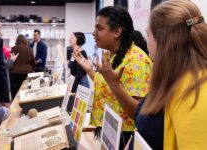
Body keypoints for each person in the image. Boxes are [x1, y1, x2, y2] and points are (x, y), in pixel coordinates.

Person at [97, 1, 207, 149]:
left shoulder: (194, 92)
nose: (145, 41)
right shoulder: (173, 78)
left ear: (164, 41)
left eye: (148, 35)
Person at [72, 6, 152, 149]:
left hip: (125, 136)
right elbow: (109, 87)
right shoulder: (112, 54)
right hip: (111, 131)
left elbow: (139, 112)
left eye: (100, 28)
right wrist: (90, 71)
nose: (94, 33)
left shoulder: (136, 60)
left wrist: (113, 83)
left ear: (117, 31)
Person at [10, 34, 35, 99]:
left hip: (15, 73)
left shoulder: (13, 48)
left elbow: (11, 61)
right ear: (25, 41)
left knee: (15, 94)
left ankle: (15, 107)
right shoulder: (30, 49)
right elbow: (33, 62)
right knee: (26, 93)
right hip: (27, 74)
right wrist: (32, 70)